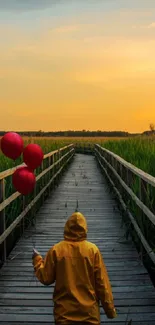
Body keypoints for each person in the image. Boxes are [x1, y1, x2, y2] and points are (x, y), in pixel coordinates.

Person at [32, 212, 117, 325]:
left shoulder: (56, 250)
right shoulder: (93, 250)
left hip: (64, 315)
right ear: (85, 229)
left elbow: (46, 278)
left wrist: (37, 260)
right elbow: (102, 284)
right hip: (89, 316)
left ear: (67, 227)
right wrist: (110, 310)